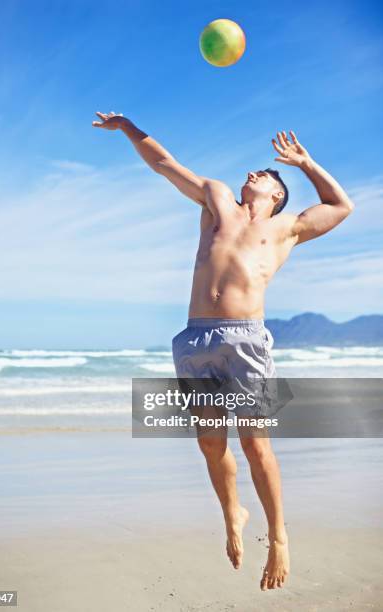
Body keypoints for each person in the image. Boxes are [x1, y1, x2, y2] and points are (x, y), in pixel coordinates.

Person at [92, 111, 354, 590]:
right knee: (211, 444)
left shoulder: (288, 228)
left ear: (277, 195)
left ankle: (278, 538)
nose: (255, 173)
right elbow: (164, 164)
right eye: (256, 171)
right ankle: (233, 510)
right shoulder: (216, 200)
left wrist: (305, 163)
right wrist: (128, 127)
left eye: (268, 176)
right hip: (196, 339)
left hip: (246, 342)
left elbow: (341, 206)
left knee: (256, 445)